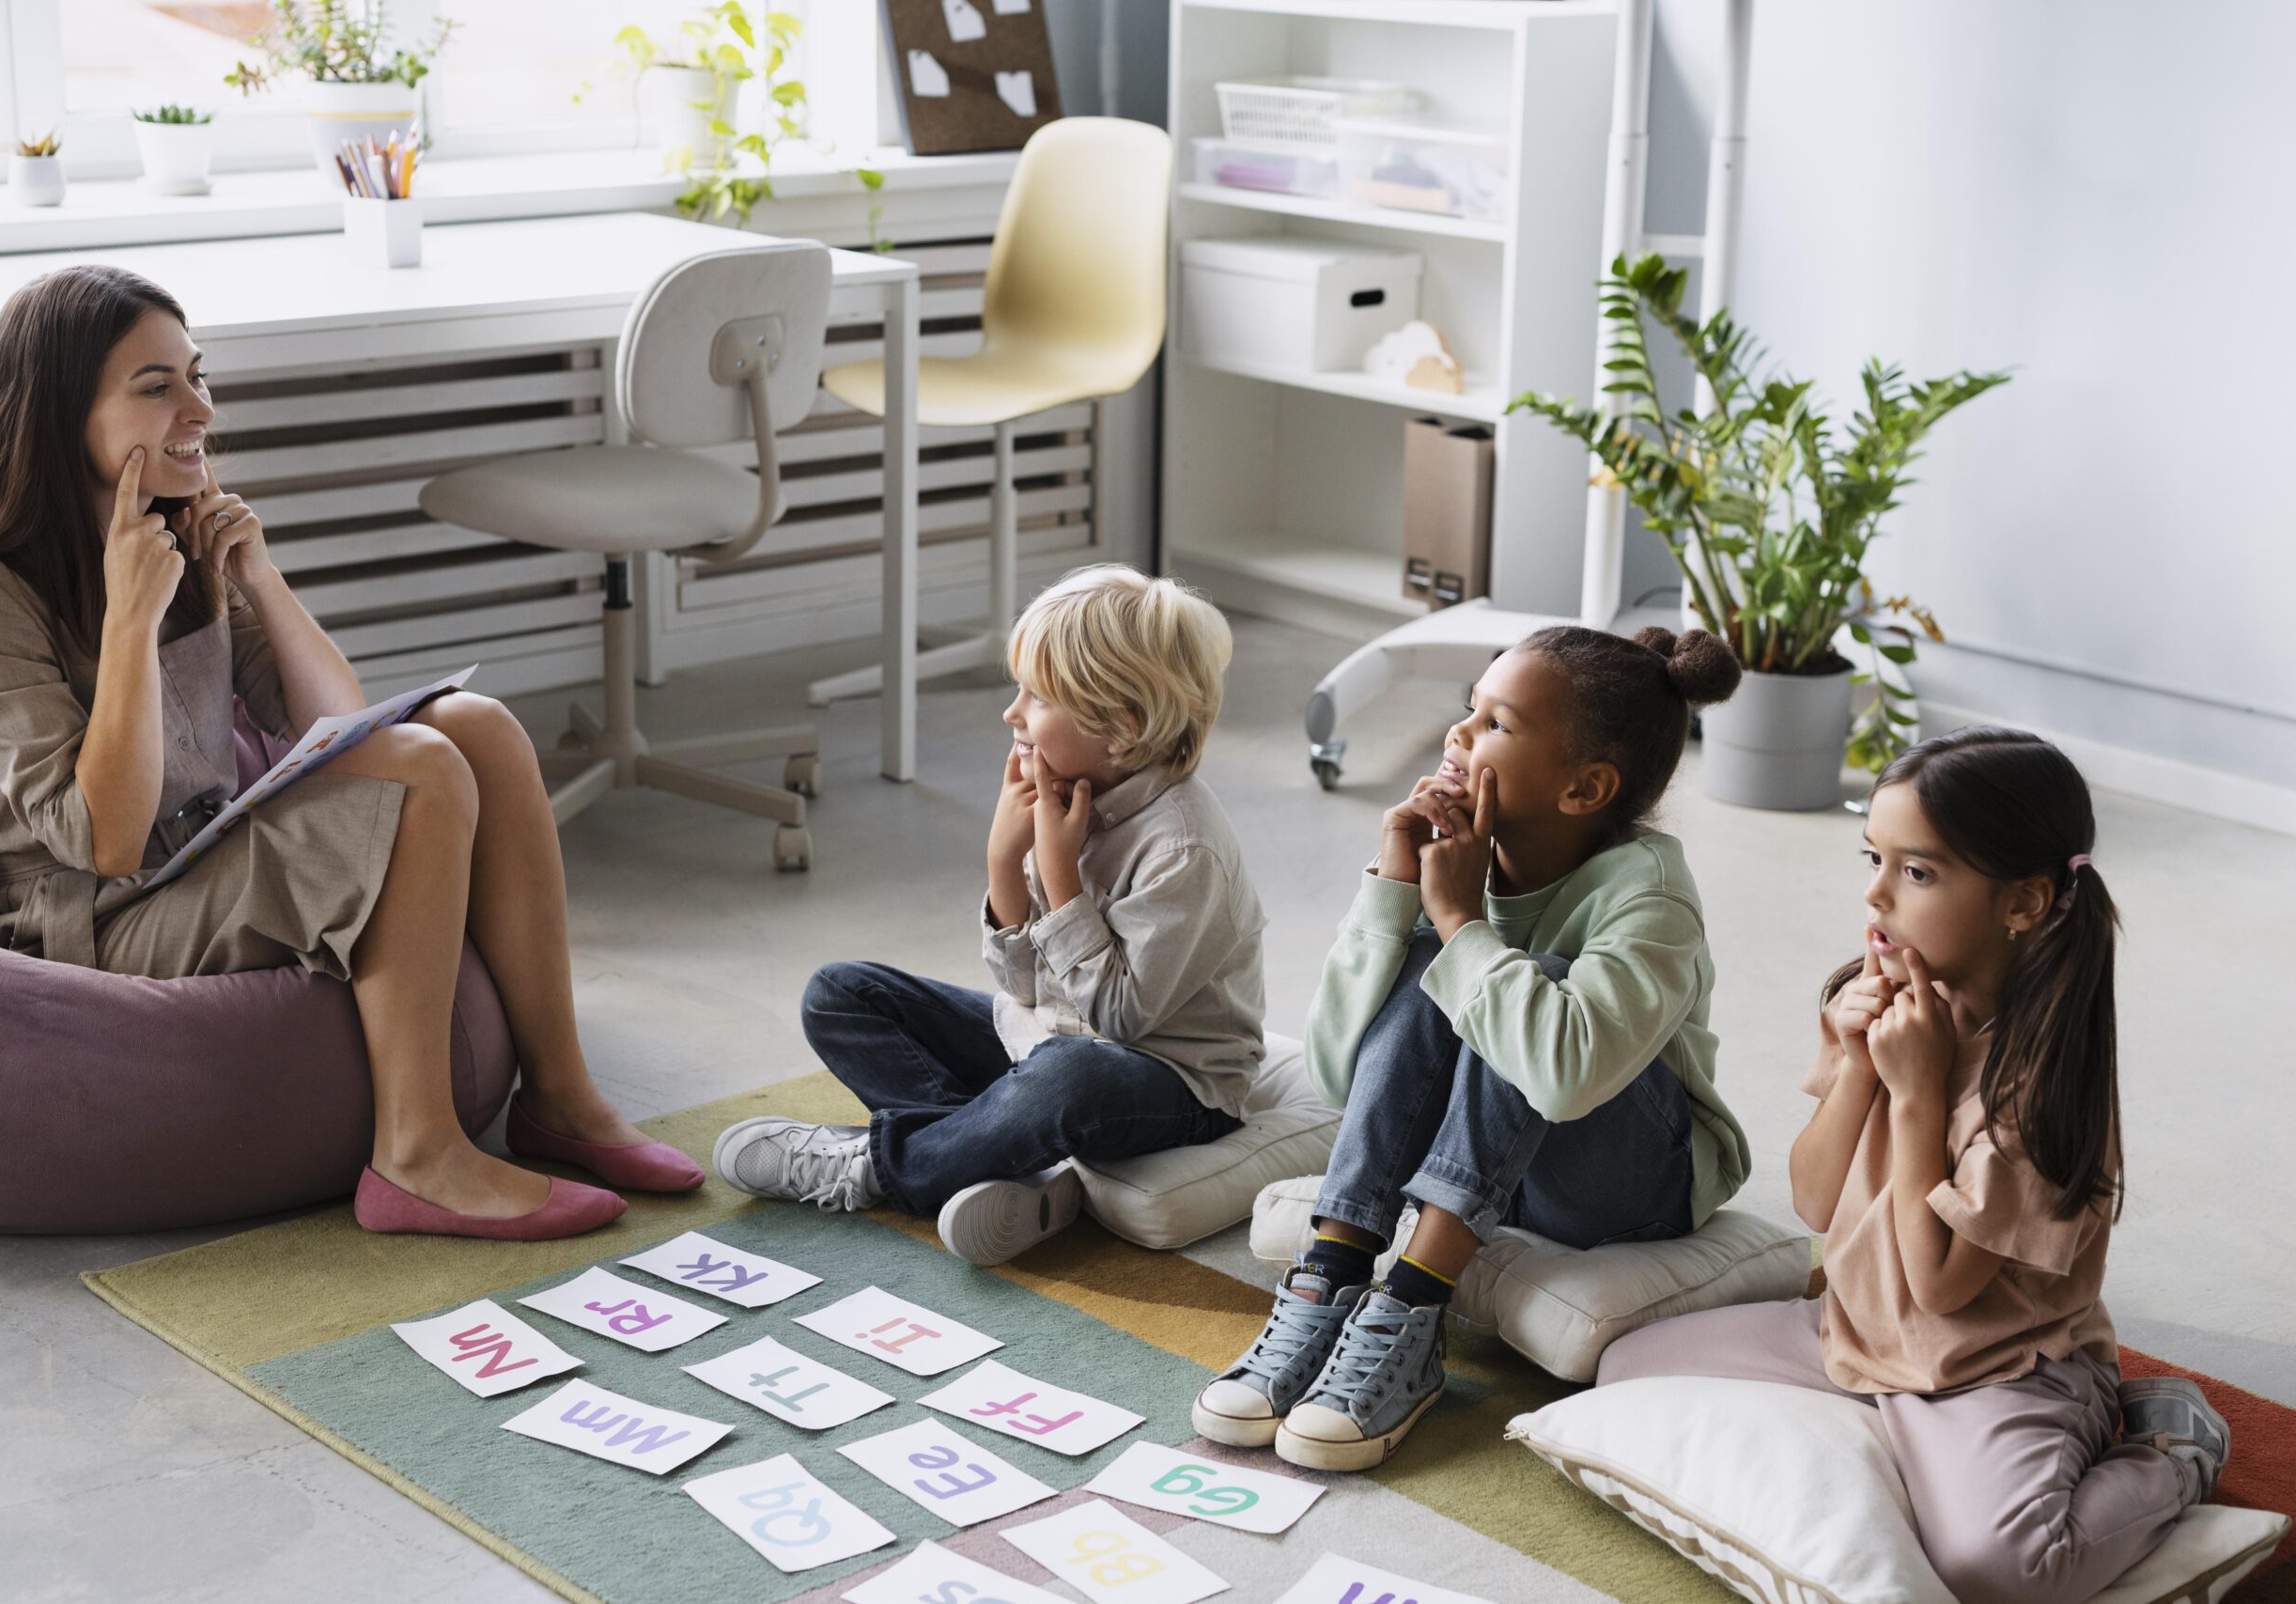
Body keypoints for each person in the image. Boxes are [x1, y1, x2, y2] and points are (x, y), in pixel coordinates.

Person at [0, 264, 698, 1241]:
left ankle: (561, 1100)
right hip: (100, 911)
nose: (198, 408)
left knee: (473, 730)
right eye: (156, 387)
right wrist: (129, 621)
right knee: (425, 770)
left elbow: (336, 726)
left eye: (197, 377)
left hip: (209, 851)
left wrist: (260, 581)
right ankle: (417, 1154)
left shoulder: (176, 542)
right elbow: (102, 838)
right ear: (58, 416)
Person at [1599, 727, 2230, 1604]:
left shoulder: (2043, 1095)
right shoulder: (1879, 1002)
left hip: (1991, 1367)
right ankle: (1887, 1423)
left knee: (2001, 1571)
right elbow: (1815, 1200)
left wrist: (1919, 1092)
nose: (1875, 894)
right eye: (1875, 857)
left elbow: (1940, 1289)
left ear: (2024, 901)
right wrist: (1859, 1059)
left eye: (1918, 872)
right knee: (1623, 1369)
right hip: (1851, 1335)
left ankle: (2168, 1452)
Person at [1196, 625, 1747, 1471]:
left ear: (1585, 787)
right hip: (1499, 1171)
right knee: (1437, 963)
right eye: (1470, 709)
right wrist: (1395, 889)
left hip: (1632, 1180)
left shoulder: (1650, 892)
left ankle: (1414, 1302)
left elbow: (1565, 1079)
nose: (1458, 734)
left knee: (1524, 980)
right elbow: (1340, 1075)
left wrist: (1462, 923)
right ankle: (1330, 1272)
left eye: (1497, 723)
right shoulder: (1452, 857)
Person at [710, 565, 1264, 1266]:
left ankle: (882, 1169)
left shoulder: (1185, 846)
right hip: (1048, 1040)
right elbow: (1023, 990)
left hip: (1171, 1082)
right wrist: (1005, 863)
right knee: (840, 993)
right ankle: (983, 1155)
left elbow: (1120, 1022)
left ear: (1120, 729)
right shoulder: (1066, 793)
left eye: (1037, 697)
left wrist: (1058, 878)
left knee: (1069, 1077)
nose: (1012, 712)